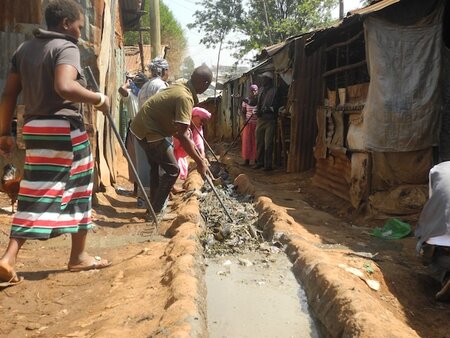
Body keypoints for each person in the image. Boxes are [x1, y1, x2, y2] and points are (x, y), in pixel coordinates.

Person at [0, 0, 111, 286]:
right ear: (65, 24)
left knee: (35, 190)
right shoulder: (66, 47)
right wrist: (99, 99)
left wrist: (4, 132)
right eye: (78, 26)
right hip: (63, 129)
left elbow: (9, 94)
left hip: (34, 128)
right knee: (81, 186)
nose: (80, 32)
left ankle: (9, 258)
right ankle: (79, 256)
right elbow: (64, 86)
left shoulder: (24, 49)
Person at [130, 65, 212, 218]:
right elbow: (182, 135)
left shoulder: (181, 85)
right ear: (205, 84)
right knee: (173, 169)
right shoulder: (185, 97)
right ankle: (156, 211)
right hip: (150, 131)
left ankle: (152, 210)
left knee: (155, 167)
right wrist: (200, 162)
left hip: (140, 127)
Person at [415, 161, 450, 302]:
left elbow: (433, 208)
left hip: (443, 246)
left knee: (422, 245)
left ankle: (445, 277)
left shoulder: (437, 170)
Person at [118, 73, 147, 196]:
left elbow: (121, 89)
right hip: (143, 130)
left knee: (135, 161)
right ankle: (140, 190)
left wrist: (127, 83)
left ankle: (138, 190)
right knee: (140, 161)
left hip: (136, 130)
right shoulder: (142, 96)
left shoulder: (132, 97)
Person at [173, 107, 212, 180]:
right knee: (172, 170)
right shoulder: (183, 122)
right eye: (202, 120)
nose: (202, 123)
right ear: (195, 116)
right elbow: (178, 141)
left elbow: (199, 143)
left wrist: (202, 156)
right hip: (172, 147)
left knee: (180, 171)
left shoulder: (198, 127)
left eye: (204, 122)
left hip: (181, 152)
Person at [253, 72, 280, 171]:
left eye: (264, 78)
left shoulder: (275, 91)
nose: (262, 80)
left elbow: (277, 106)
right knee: (259, 142)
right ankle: (260, 162)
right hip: (261, 119)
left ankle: (267, 165)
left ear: (269, 80)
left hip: (270, 120)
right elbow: (256, 102)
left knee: (268, 143)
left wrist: (268, 109)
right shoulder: (261, 90)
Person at [241, 84, 258, 166]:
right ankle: (246, 160)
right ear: (249, 92)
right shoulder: (246, 101)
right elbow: (243, 111)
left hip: (256, 124)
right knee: (247, 141)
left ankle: (256, 160)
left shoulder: (259, 101)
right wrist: (244, 119)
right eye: (252, 91)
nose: (254, 92)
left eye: (255, 91)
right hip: (248, 124)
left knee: (256, 142)